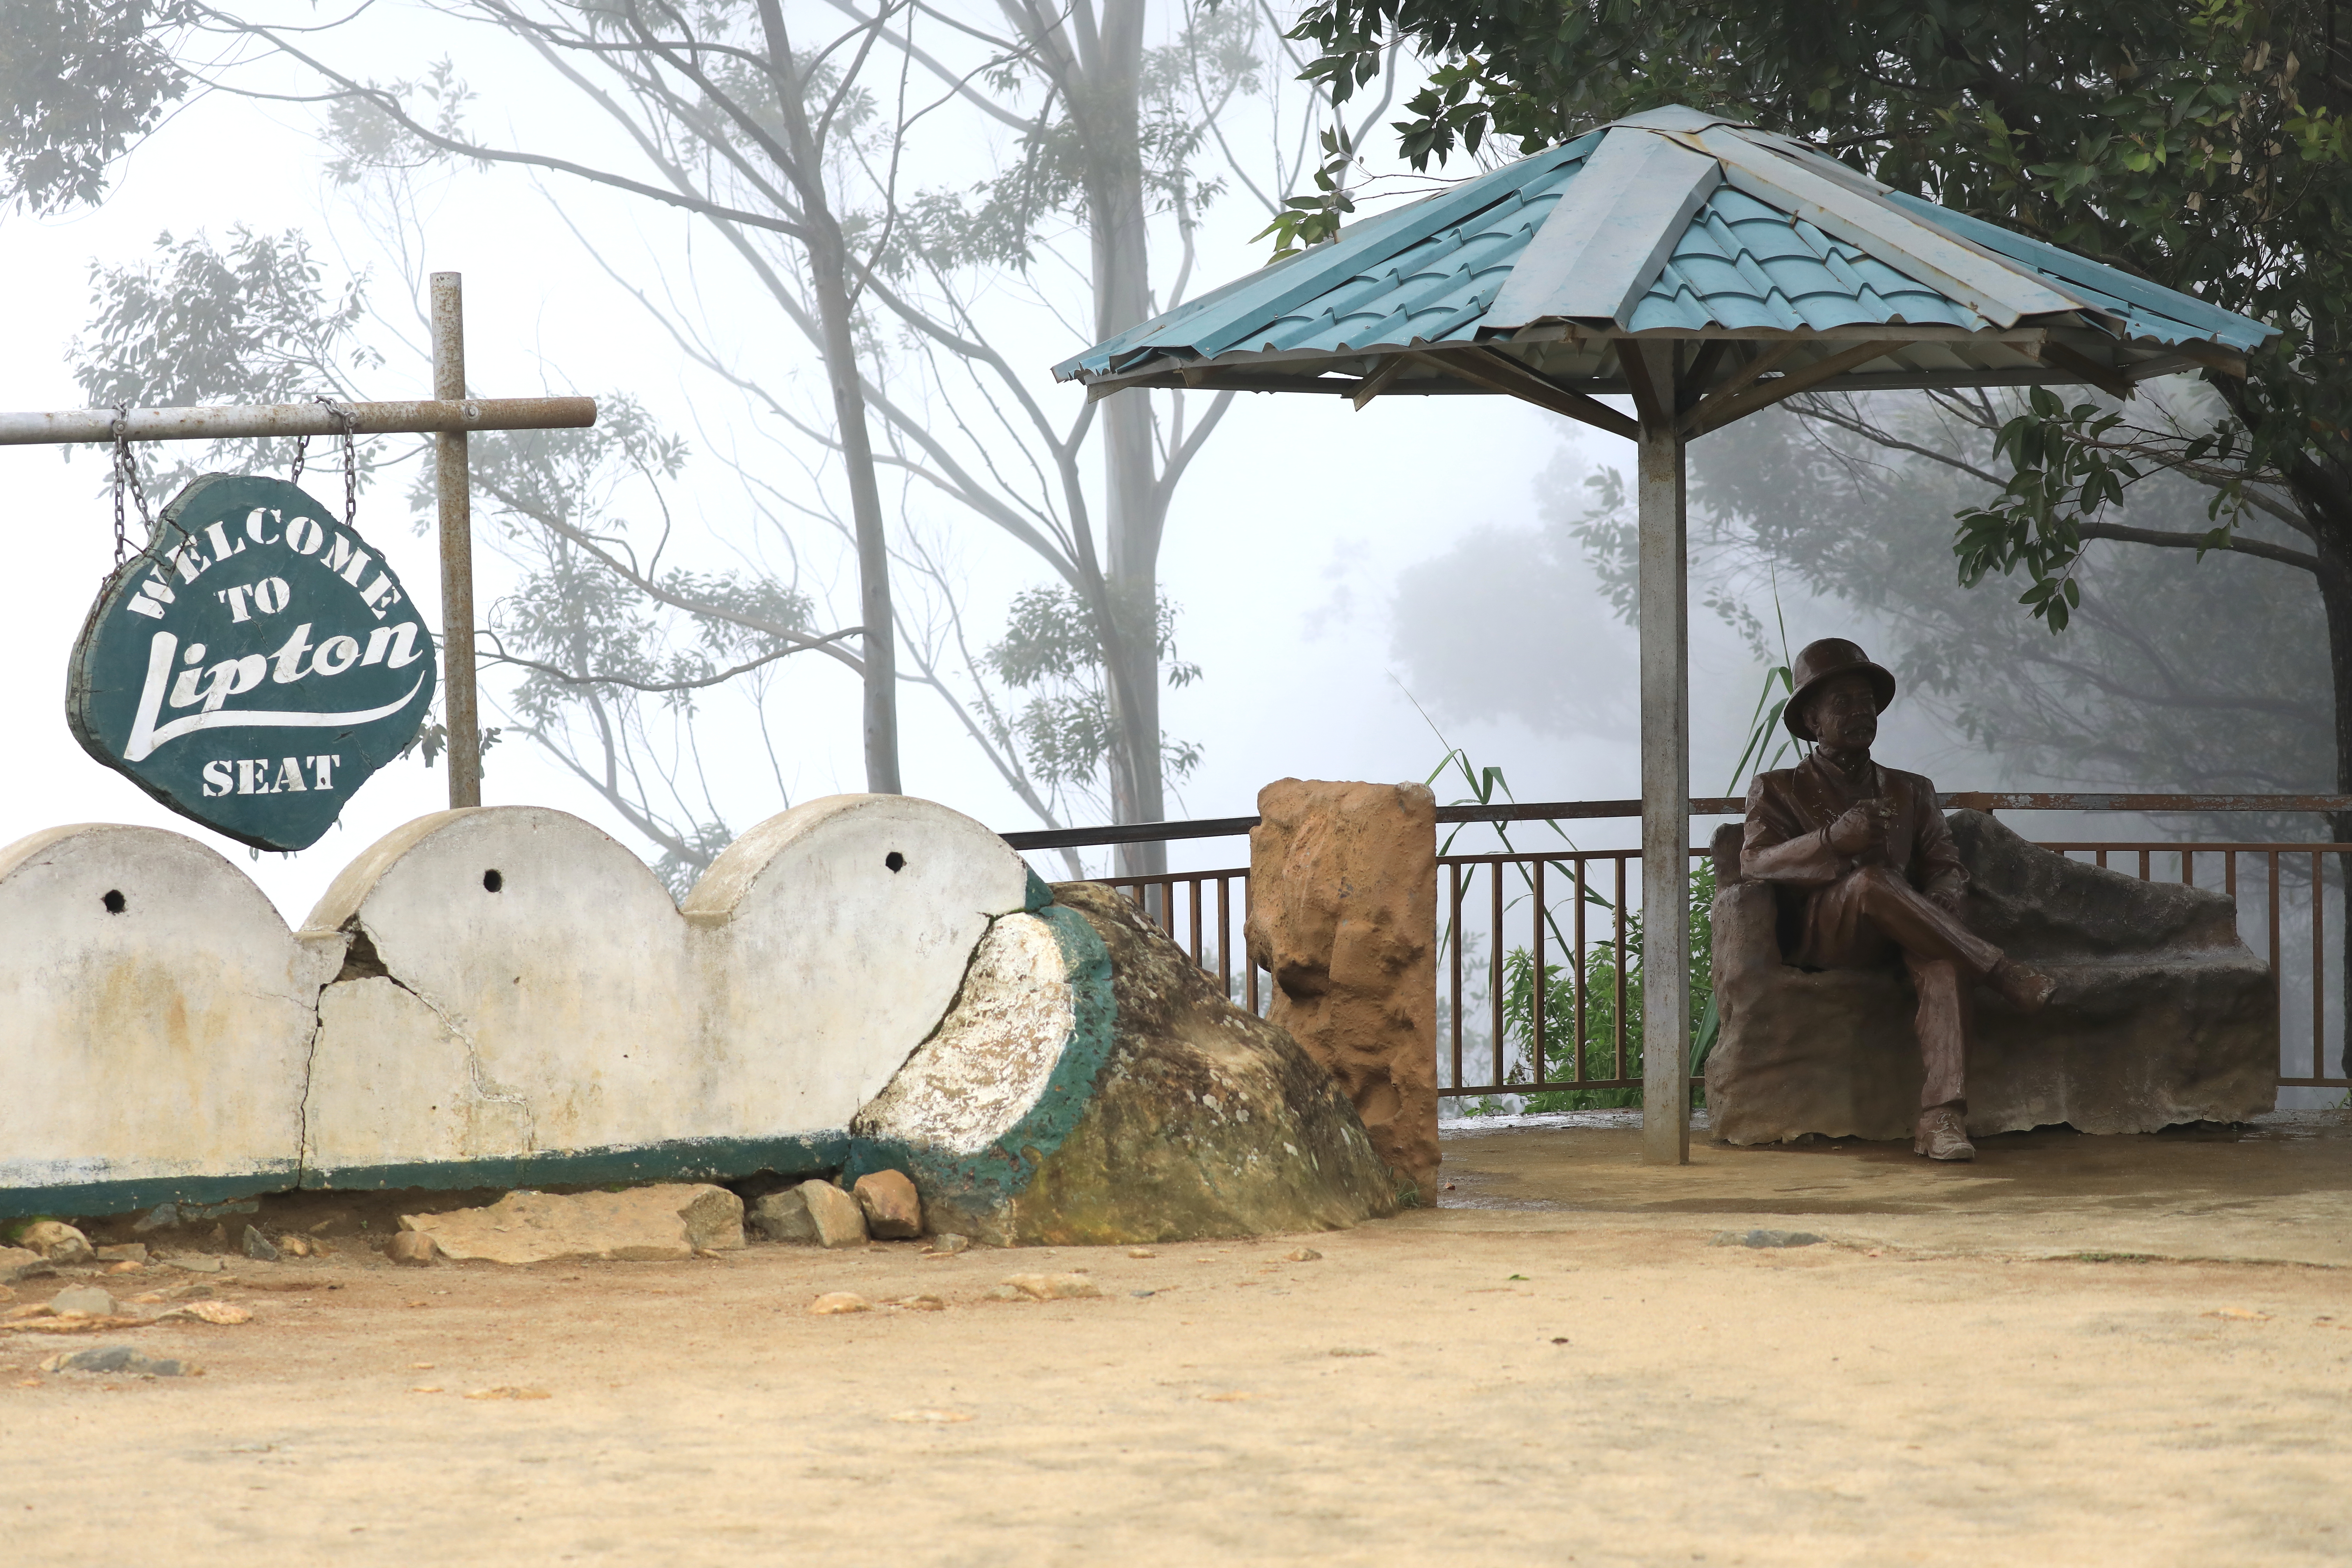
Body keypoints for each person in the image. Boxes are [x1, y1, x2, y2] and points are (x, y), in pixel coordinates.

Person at [1740, 638, 2055, 1161]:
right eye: (1843, 702)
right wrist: (1831, 841)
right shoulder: (1778, 788)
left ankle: (1941, 1119)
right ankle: (1999, 971)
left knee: (1944, 962)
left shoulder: (1912, 789)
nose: (1861, 712)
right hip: (1830, 933)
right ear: (1813, 721)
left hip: (1908, 927)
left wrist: (1945, 896)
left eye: (1867, 701)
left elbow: (1946, 864)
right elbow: (1754, 863)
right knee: (1870, 881)